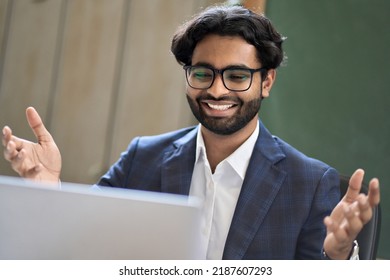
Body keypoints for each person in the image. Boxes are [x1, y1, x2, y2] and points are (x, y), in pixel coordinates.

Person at [2, 5, 380, 260]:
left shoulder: (311, 183)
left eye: (236, 76)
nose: (217, 91)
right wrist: (48, 187)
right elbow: (82, 246)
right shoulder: (142, 159)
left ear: (266, 82)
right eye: (203, 73)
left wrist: (339, 255)